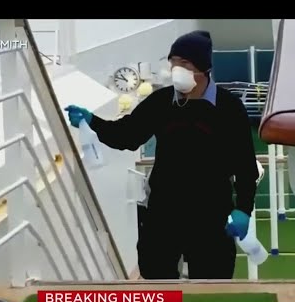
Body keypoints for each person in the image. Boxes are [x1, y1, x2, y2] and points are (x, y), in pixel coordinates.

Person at [65, 30, 259, 279]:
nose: (176, 69)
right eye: (173, 62)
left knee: (212, 282)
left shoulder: (229, 108)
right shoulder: (161, 102)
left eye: (185, 63)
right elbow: (127, 135)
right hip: (164, 211)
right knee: (155, 277)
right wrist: (93, 122)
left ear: (203, 68)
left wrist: (243, 209)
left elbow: (245, 165)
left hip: (211, 212)